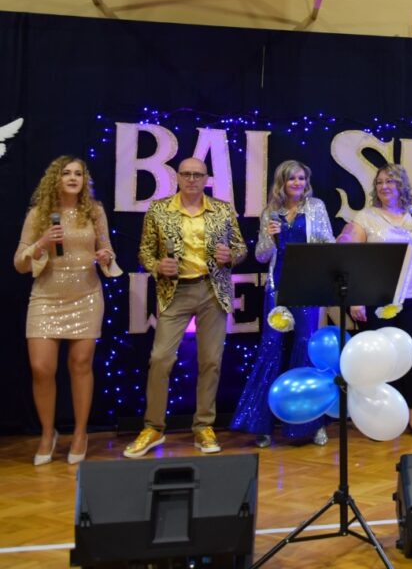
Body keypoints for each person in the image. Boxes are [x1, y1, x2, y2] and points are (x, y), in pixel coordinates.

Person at [124, 157, 247, 458]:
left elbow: (241, 248)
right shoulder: (159, 209)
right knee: (160, 358)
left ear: (206, 179)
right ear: (177, 177)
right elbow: (144, 251)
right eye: (187, 174)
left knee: (210, 361)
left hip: (212, 290)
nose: (192, 179)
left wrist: (230, 256)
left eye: (198, 174)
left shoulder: (222, 209)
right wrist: (157, 266)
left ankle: (203, 426)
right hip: (175, 291)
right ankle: (153, 427)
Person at [15, 156, 120, 465]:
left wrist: (105, 256)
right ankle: (48, 433)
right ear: (55, 179)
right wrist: (42, 243)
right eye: (66, 173)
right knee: (41, 368)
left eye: (79, 174)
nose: (73, 178)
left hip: (86, 296)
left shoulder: (94, 211)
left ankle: (80, 433)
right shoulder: (39, 214)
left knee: (81, 364)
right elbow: (20, 263)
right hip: (46, 298)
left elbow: (108, 250)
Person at [231, 160, 335, 447]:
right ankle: (261, 424)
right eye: (292, 179)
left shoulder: (315, 207)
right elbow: (261, 255)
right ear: (282, 183)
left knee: (306, 345)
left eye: (302, 178)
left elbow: (329, 243)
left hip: (307, 285)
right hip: (277, 286)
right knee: (271, 347)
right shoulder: (270, 212)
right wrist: (271, 238)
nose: (298, 183)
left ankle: (311, 424)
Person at [337, 163, 412, 438]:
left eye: (390, 181)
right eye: (380, 182)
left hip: (411, 299)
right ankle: (377, 418)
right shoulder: (366, 217)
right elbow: (350, 258)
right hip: (376, 299)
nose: (384, 186)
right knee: (377, 361)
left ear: (401, 185)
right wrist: (356, 299)